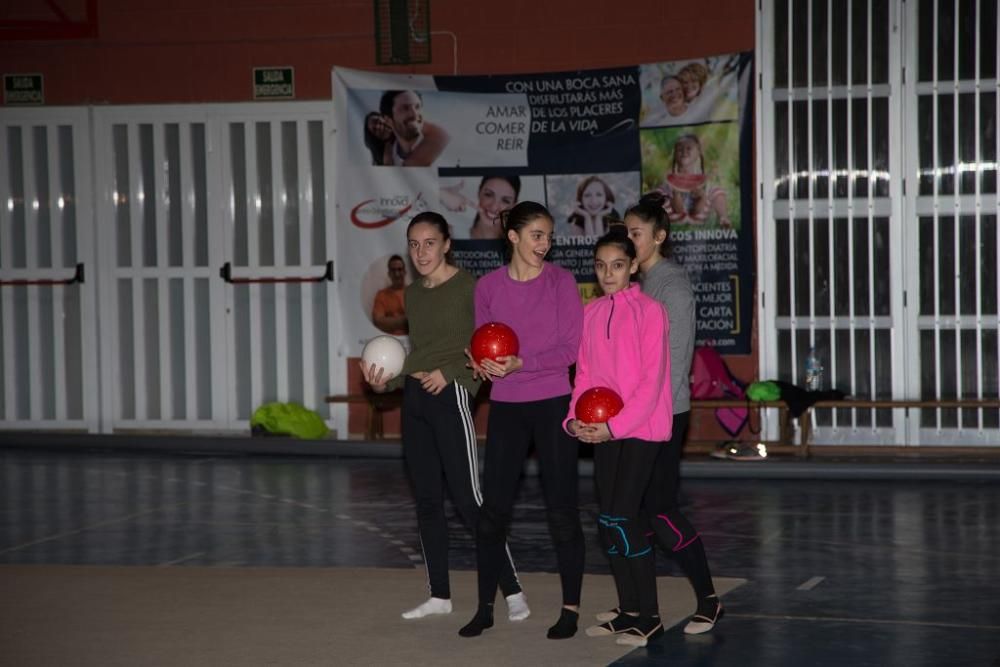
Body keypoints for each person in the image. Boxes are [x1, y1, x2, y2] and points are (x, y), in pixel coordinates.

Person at [360, 212, 529, 623]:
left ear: (447, 243)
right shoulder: (414, 294)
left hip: (451, 395)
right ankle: (439, 594)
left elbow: (485, 351)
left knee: (470, 501)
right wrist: (386, 382)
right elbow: (420, 354)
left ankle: (513, 589)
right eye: (414, 244)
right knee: (428, 502)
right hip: (417, 400)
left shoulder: (471, 288)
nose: (421, 252)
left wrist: (450, 375)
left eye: (429, 243)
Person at [459, 201, 585, 640]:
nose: (545, 244)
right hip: (507, 406)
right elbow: (482, 345)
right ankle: (483, 608)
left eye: (549, 236)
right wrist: (483, 365)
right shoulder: (488, 287)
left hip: (553, 402)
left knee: (562, 511)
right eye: (536, 235)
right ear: (512, 236)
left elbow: (571, 350)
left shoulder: (562, 282)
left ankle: (570, 609)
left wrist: (522, 363)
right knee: (492, 512)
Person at [616, 192, 723, 635]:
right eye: (625, 232)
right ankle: (640, 605)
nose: (628, 241)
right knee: (633, 510)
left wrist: (637, 414)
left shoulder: (671, 286)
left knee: (659, 510)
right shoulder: (636, 283)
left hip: (663, 413)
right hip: (634, 412)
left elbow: (671, 364)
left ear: (659, 237)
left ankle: (709, 599)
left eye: (635, 234)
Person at [564, 226, 671, 648]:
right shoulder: (590, 313)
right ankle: (627, 611)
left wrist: (613, 426)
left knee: (625, 518)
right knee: (608, 520)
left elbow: (651, 380)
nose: (608, 274)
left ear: (632, 268)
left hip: (641, 429)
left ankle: (651, 616)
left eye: (618, 266)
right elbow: (584, 376)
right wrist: (574, 420)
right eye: (601, 266)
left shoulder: (651, 312)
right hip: (602, 429)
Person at [659, 134, 730, 227]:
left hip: (699, 213)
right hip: (676, 214)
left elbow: (701, 205)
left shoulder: (704, 181)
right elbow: (676, 208)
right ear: (675, 154)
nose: (684, 151)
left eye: (689, 148)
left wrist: (702, 196)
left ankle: (723, 217)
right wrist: (676, 194)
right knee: (660, 194)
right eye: (680, 149)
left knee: (717, 192)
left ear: (698, 153)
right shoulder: (670, 181)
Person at [365, 90, 450, 167]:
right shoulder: (389, 157)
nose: (414, 114)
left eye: (417, 107)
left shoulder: (436, 142)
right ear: (388, 119)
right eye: (405, 108)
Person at [440, 175, 521, 239]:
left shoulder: (517, 245)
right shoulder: (451, 234)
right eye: (488, 195)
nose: (494, 207)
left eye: (505, 201)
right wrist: (439, 194)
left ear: (513, 206)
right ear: (479, 192)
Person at [371, 255, 408, 335]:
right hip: (389, 342)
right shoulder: (381, 295)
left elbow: (420, 322)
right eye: (393, 270)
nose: (397, 274)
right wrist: (406, 321)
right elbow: (378, 322)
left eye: (399, 269)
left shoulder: (415, 293)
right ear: (389, 273)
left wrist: (389, 321)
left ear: (405, 272)